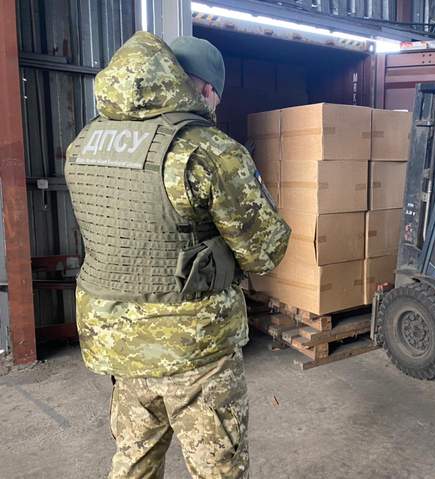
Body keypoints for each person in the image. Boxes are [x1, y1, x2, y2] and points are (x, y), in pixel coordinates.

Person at [64, 31, 290, 479]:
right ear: (203, 88)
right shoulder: (207, 149)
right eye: (217, 94)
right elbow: (265, 250)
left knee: (134, 460)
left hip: (115, 340)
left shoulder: (84, 143)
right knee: (218, 468)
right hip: (194, 347)